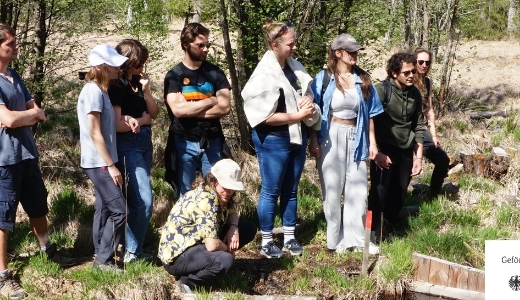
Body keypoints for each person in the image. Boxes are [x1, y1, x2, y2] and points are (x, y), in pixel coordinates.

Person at [0, 22, 52, 299]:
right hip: (2, 160)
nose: (16, 47)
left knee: (37, 206)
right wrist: (20, 117)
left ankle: (46, 250)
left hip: (26, 153)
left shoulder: (13, 75)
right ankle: (3, 276)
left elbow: (35, 111)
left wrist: (22, 117)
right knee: (3, 217)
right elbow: (8, 118)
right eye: (11, 44)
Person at [240, 21, 319, 259]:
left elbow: (305, 94)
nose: (295, 47)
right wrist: (297, 115)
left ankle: (289, 236)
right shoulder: (264, 74)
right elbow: (261, 116)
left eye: (294, 42)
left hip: (297, 135)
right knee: (271, 191)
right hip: (273, 139)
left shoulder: (295, 68)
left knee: (291, 190)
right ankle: (266, 240)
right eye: (290, 43)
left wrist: (309, 103)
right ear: (275, 45)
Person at [309, 34, 384, 254]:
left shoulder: (364, 78)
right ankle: (336, 240)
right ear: (338, 52)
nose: (355, 55)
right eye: (350, 51)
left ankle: (358, 239)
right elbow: (313, 111)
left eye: (356, 51)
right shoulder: (323, 78)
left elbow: (370, 115)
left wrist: (373, 144)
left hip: (357, 136)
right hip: (330, 136)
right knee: (332, 191)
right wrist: (313, 138)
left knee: (358, 191)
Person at [158, 159, 256, 293]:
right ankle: (187, 281)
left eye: (232, 188)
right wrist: (228, 250)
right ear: (214, 181)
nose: (229, 192)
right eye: (225, 187)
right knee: (225, 260)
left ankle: (208, 267)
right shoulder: (206, 200)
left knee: (247, 228)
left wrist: (233, 227)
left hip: (197, 243)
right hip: (178, 256)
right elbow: (212, 245)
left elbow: (232, 212)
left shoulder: (217, 193)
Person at [163, 23, 233, 196]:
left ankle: (212, 223)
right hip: (183, 141)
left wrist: (189, 109)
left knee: (214, 189)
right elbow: (177, 111)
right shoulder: (174, 75)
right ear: (186, 45)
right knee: (185, 192)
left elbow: (225, 107)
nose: (206, 49)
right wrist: (210, 100)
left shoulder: (215, 73)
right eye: (200, 45)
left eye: (207, 45)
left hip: (213, 140)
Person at [78, 44, 131, 271]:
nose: (118, 69)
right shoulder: (92, 91)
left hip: (103, 160)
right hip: (99, 162)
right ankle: (103, 259)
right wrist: (111, 165)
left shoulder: (101, 90)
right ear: (100, 66)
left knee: (105, 208)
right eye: (113, 65)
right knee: (120, 211)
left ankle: (101, 255)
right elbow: (94, 131)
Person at [110, 39, 158, 263]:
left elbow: (155, 113)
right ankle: (130, 252)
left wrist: (147, 91)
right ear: (128, 63)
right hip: (127, 144)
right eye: (139, 64)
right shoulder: (117, 86)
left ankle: (133, 249)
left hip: (144, 143)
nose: (142, 68)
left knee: (138, 200)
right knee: (144, 201)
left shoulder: (138, 82)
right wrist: (142, 119)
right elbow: (116, 123)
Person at [369, 52, 423, 235]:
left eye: (413, 72)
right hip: (384, 149)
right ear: (394, 73)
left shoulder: (415, 93)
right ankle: (372, 232)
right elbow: (369, 120)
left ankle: (390, 228)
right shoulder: (381, 90)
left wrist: (419, 157)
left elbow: (418, 124)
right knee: (379, 193)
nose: (411, 76)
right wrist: (375, 151)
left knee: (399, 193)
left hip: (405, 151)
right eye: (406, 72)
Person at [411, 48, 451, 197]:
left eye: (427, 62)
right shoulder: (407, 78)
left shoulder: (427, 82)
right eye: (420, 62)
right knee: (405, 168)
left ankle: (433, 194)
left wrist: (433, 134)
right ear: (414, 62)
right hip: (405, 129)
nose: (423, 65)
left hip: (420, 129)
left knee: (442, 160)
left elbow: (429, 109)